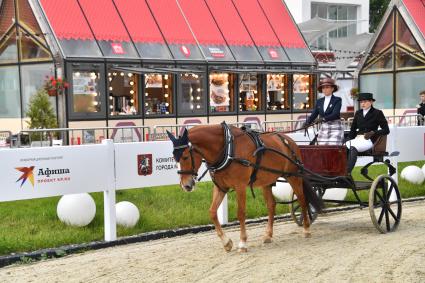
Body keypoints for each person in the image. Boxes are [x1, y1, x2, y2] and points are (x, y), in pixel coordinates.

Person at [345, 92, 390, 173]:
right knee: (342, 147)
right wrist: (347, 139)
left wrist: (373, 132)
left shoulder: (377, 113)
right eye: (361, 102)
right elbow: (353, 129)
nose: (363, 104)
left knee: (352, 148)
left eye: (365, 101)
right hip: (358, 139)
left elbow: (386, 130)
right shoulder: (358, 113)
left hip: (369, 140)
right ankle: (338, 171)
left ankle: (347, 172)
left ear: (371, 102)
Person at [305, 78, 343, 145]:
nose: (325, 89)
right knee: (321, 148)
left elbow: (335, 114)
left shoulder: (337, 100)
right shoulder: (319, 101)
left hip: (335, 127)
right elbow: (314, 114)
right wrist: (307, 122)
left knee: (333, 147)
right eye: (323, 88)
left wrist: (323, 119)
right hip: (324, 127)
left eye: (327, 87)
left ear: (332, 89)